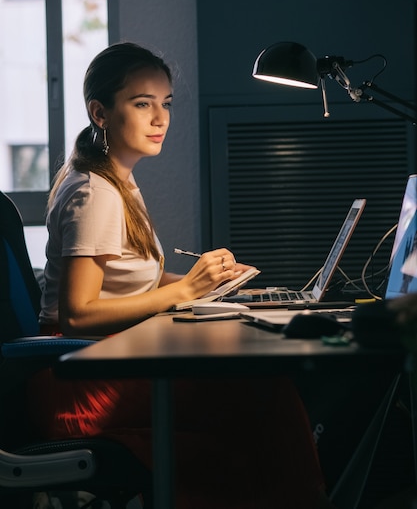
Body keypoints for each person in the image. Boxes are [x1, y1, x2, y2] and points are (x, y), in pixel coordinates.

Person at [27, 41, 335, 508]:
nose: (160, 118)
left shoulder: (116, 179)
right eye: (142, 103)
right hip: (81, 388)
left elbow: (129, 282)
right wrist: (186, 290)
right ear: (101, 112)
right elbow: (78, 317)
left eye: (166, 103)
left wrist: (205, 282)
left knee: (255, 391)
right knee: (264, 390)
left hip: (97, 368)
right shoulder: (96, 194)